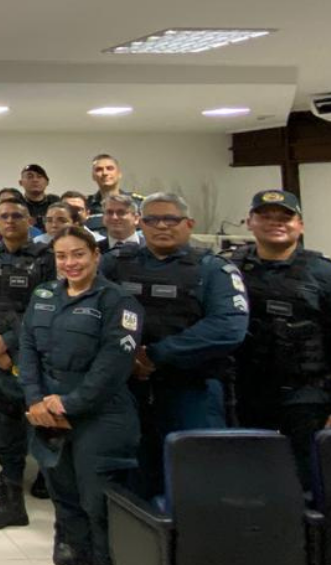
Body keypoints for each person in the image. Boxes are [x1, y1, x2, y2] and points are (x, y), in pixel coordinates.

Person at [19, 225, 143, 565]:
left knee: (98, 505)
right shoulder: (43, 296)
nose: (69, 263)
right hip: (50, 415)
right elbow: (28, 350)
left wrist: (70, 403)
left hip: (100, 418)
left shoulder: (117, 302)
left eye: (78, 255)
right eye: (61, 256)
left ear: (95, 255)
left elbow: (113, 365)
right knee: (68, 501)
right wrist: (35, 399)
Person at [228, 190, 331, 487]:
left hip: (307, 401)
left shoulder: (330, 276)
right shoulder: (228, 269)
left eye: (285, 217)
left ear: (300, 225)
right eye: (265, 216)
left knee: (311, 486)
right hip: (244, 399)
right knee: (249, 486)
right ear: (249, 222)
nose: (276, 223)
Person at [98, 192, 247, 496]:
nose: (161, 226)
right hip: (129, 388)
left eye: (171, 219)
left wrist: (155, 355)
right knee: (132, 473)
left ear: (189, 224)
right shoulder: (116, 264)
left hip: (192, 389)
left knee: (198, 476)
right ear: (141, 223)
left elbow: (228, 328)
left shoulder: (213, 269)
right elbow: (93, 313)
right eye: (152, 219)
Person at [0, 198, 55, 528]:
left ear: (29, 220)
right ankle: (12, 502)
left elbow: (45, 306)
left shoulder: (48, 261)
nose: (11, 220)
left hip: (35, 361)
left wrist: (9, 343)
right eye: (4, 216)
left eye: (18, 215)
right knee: (3, 430)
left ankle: (64, 516)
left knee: (46, 433)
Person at [85, 154, 144, 232]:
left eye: (110, 168)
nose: (105, 173)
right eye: (99, 169)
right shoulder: (85, 205)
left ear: (119, 174)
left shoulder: (139, 204)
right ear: (93, 176)